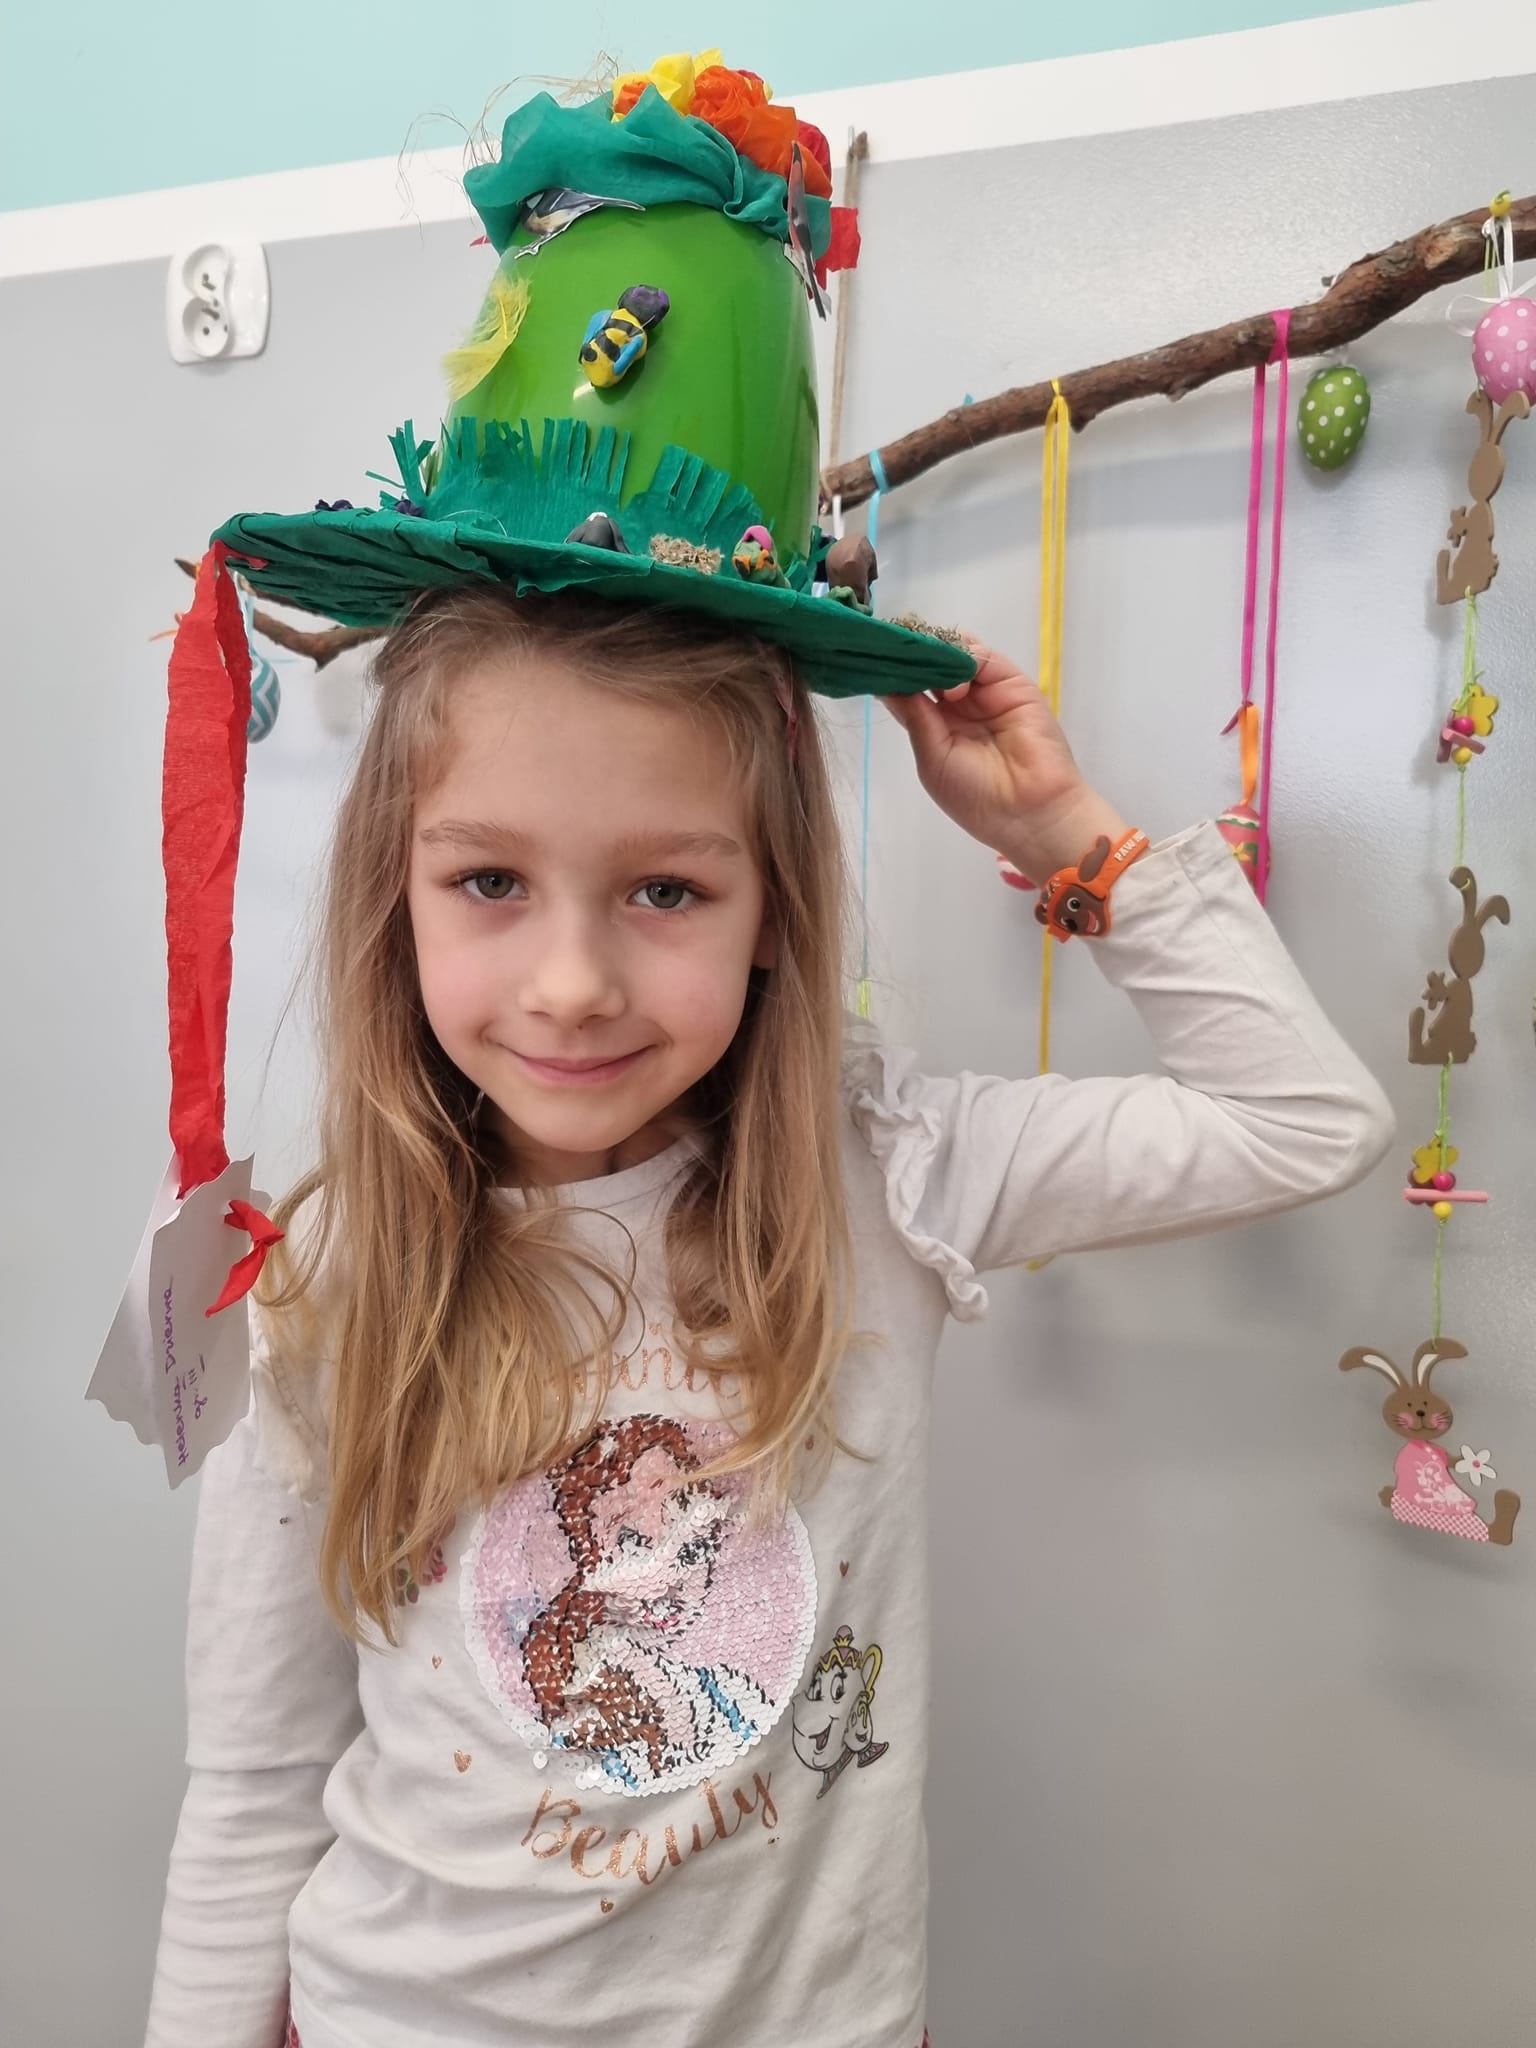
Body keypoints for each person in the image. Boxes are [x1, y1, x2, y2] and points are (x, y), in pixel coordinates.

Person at [142, 52, 1393, 2048]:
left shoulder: (886, 1178)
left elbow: (1304, 1119)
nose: (571, 984)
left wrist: (1075, 845)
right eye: (489, 883)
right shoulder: (313, 1284)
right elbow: (251, 1797)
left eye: (665, 890)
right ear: (395, 890)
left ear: (773, 911)